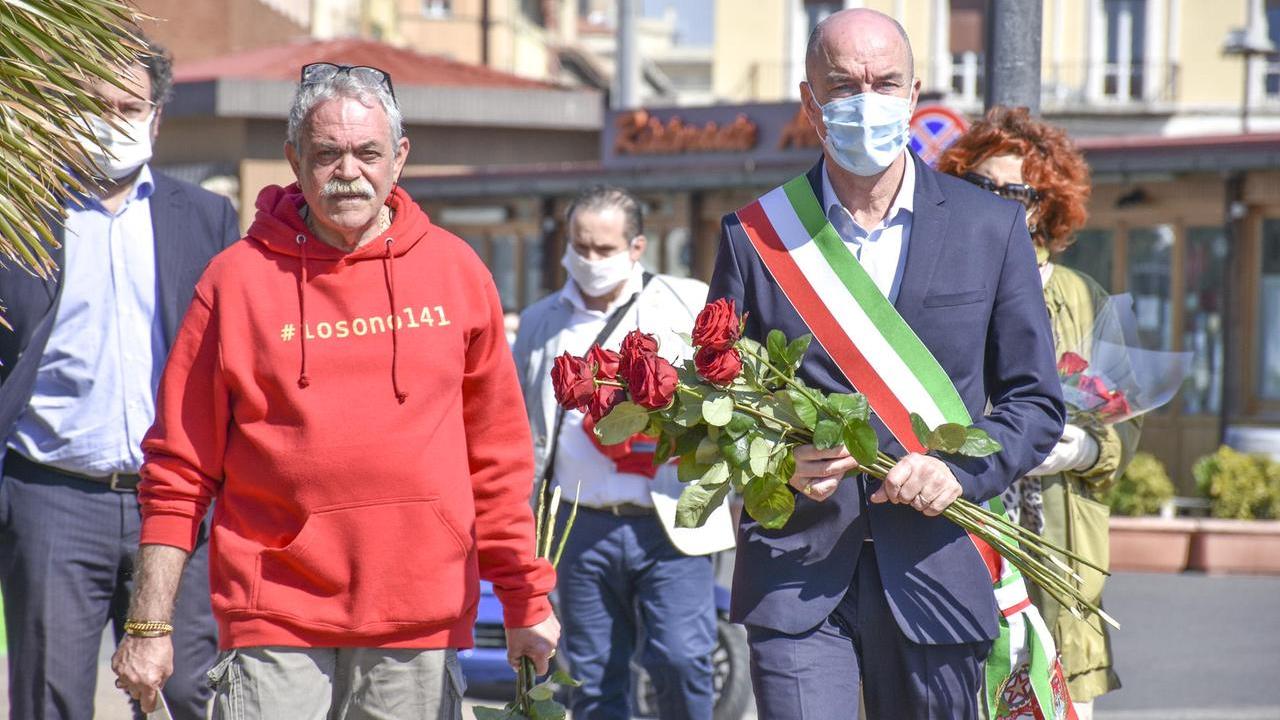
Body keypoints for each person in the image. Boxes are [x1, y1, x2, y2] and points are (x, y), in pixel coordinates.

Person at [110, 62, 559, 719]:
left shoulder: (457, 271)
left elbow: (498, 461)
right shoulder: (234, 281)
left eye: (368, 153)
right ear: (295, 160)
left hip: (418, 616)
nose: (348, 171)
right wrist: (149, 625)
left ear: (399, 158)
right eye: (327, 154)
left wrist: (524, 599)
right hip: (274, 612)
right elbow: (179, 467)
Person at [707, 9, 1065, 719]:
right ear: (811, 102)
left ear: (913, 93)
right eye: (844, 85)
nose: (866, 101)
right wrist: (774, 463)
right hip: (797, 572)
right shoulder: (755, 236)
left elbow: (1034, 402)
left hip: (939, 569)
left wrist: (958, 470)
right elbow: (717, 399)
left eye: (886, 82)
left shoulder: (990, 228)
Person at [0, 34, 233, 720]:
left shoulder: (206, 218)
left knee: (190, 693)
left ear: (156, 118)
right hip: (54, 496)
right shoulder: (18, 218)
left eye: (129, 107)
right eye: (94, 105)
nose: (112, 121)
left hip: (178, 501)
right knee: (50, 699)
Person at [938, 106, 1142, 720]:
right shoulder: (940, 278)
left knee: (1059, 695)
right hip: (966, 515)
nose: (995, 200)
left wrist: (1086, 447)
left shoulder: (1081, 295)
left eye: (1015, 191)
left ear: (1043, 204)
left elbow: (1127, 414)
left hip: (1059, 536)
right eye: (981, 185)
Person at [512, 187, 736, 719]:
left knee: (682, 662)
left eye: (604, 249)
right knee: (591, 679)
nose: (589, 260)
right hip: (579, 525)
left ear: (637, 246)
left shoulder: (684, 301)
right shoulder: (541, 321)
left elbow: (725, 394)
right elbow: (521, 420)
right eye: (580, 246)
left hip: (670, 521)